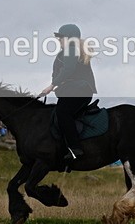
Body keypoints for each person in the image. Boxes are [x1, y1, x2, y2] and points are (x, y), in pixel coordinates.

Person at [40, 24, 97, 160]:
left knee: (62, 112)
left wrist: (51, 85)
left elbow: (68, 70)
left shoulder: (71, 50)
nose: (58, 40)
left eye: (60, 37)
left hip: (78, 92)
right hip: (76, 91)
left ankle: (75, 148)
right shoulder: (72, 50)